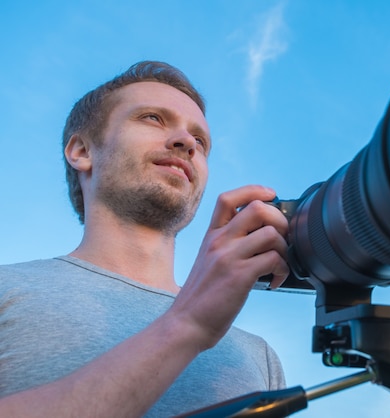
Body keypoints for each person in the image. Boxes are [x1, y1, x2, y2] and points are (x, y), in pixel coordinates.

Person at [0, 61, 291, 417]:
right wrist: (187, 324)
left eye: (200, 141)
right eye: (153, 118)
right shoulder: (6, 289)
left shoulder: (259, 356)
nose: (187, 143)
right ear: (82, 151)